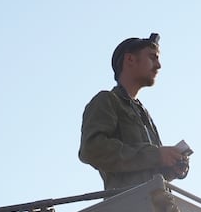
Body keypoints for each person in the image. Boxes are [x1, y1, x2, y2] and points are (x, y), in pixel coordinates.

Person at [79, 33, 191, 193]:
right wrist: (156, 155)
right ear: (130, 59)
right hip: (127, 208)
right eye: (152, 57)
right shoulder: (107, 100)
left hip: (156, 207)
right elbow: (92, 149)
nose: (158, 65)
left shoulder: (143, 113)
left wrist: (170, 166)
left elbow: (144, 165)